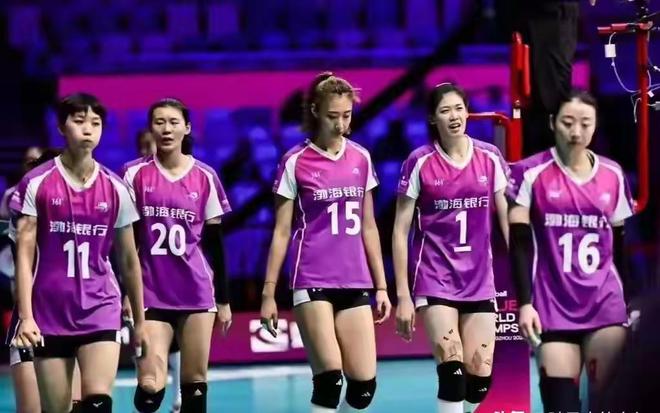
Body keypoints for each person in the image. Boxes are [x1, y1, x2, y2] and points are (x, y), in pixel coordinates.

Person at [260, 72, 392, 413]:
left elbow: (369, 226)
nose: (340, 124)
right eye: (333, 116)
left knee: (363, 389)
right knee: (329, 379)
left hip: (355, 279)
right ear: (316, 111)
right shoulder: (295, 161)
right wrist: (269, 293)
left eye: (346, 115)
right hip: (312, 278)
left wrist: (381, 286)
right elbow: (281, 231)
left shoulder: (361, 157)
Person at [9, 92, 147, 413]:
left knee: (97, 403)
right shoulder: (37, 183)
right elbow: (24, 257)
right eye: (79, 121)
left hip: (101, 306)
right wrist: (26, 317)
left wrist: (140, 322)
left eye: (95, 123)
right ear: (61, 127)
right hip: (49, 312)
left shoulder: (116, 188)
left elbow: (129, 260)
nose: (88, 129)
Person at [507, 90, 635, 412]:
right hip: (552, 307)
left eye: (585, 123)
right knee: (560, 404)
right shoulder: (530, 173)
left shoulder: (613, 175)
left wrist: (630, 303)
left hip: (605, 305)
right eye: (567, 122)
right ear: (553, 123)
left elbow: (620, 247)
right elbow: (519, 242)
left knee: (613, 402)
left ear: (595, 125)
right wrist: (525, 304)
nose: (576, 132)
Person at [392, 83, 509, 413]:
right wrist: (403, 295)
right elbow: (400, 231)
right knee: (452, 373)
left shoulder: (490, 157)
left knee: (478, 383)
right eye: (445, 111)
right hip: (435, 277)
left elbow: (508, 220)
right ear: (433, 118)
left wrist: (527, 274)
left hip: (480, 280)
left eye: (459, 108)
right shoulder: (419, 162)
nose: (454, 116)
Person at [123, 98, 232, 413]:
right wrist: (127, 292)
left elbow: (215, 243)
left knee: (194, 384)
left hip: (196, 293)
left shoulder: (205, 176)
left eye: (173, 122)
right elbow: (125, 243)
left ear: (187, 128)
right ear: (151, 129)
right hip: (150, 292)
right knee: (149, 389)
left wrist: (224, 300)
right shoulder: (133, 174)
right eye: (159, 122)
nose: (166, 129)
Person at [4, 148, 85, 413]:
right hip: (33, 318)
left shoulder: (82, 212)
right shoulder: (23, 210)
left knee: (73, 406)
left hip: (75, 320)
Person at [129, 128, 184, 413]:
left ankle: (179, 395)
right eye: (142, 145)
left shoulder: (184, 178)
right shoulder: (132, 181)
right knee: (146, 343)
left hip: (178, 277)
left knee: (176, 344)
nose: (146, 149)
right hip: (144, 279)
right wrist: (126, 292)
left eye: (149, 144)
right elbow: (128, 243)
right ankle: (148, 390)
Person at [515, 0, 598, 156]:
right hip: (544, 14)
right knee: (544, 94)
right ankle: (548, 157)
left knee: (550, 93)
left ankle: (552, 157)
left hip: (553, 14)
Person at [0, 146, 45, 220]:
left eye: (34, 160)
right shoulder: (10, 194)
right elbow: (4, 223)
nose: (29, 163)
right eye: (27, 160)